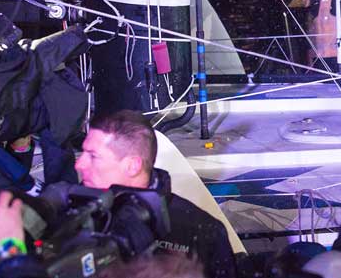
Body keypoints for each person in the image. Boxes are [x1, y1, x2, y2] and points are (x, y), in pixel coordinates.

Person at [71, 111, 236, 278]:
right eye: (82, 153)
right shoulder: (72, 212)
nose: (79, 164)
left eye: (93, 156)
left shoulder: (199, 231)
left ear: (133, 166)